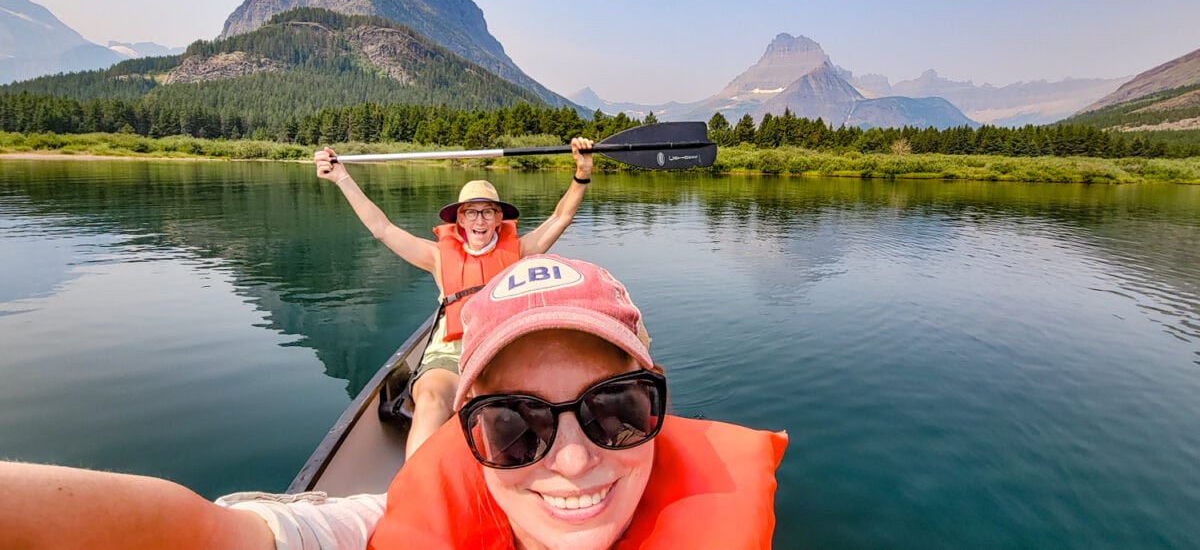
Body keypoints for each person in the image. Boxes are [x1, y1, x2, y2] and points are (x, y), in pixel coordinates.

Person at [0, 254, 788, 550]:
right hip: (450, 347)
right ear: (474, 437)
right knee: (431, 384)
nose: (576, 458)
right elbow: (203, 537)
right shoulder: (395, 533)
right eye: (517, 426)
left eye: (617, 407)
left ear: (659, 408)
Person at [313, 138, 594, 456]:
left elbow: (560, 218)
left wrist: (581, 173)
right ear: (459, 220)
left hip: (502, 348)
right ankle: (416, 488)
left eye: (488, 212)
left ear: (499, 219)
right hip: (452, 351)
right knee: (432, 398)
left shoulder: (520, 251)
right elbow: (383, 229)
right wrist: (342, 178)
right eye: (471, 212)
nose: (480, 220)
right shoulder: (436, 256)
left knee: (511, 406)